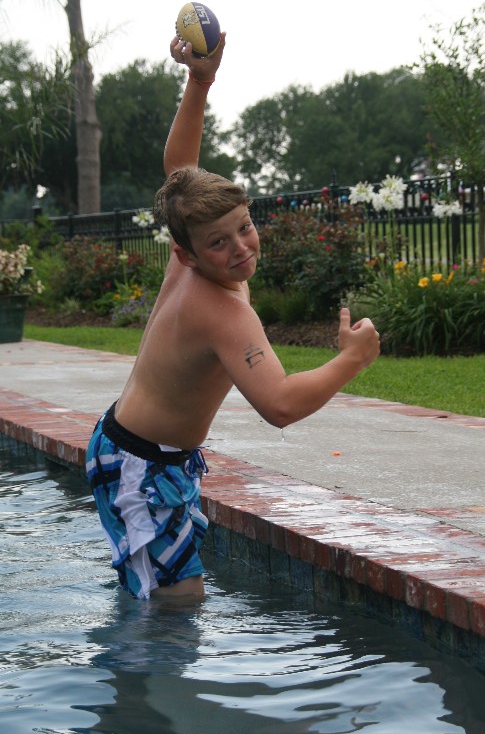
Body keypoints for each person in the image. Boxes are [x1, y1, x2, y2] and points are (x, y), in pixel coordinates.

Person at [86, 33, 380, 601]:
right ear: (186, 255)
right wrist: (353, 359)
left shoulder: (190, 247)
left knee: (162, 594)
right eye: (219, 243)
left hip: (142, 452)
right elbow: (280, 404)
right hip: (140, 464)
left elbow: (180, 170)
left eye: (244, 227)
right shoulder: (222, 312)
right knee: (175, 607)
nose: (240, 248)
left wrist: (199, 82)